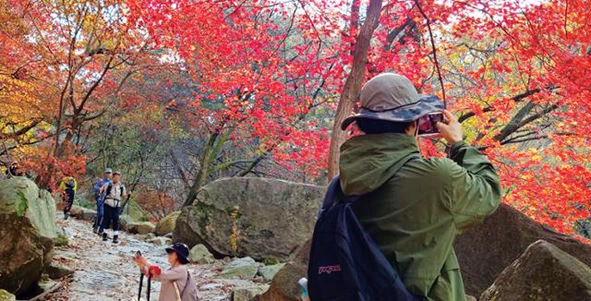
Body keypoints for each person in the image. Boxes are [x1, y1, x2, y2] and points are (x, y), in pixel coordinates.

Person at [338, 73, 502, 301]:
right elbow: (489, 192)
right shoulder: (437, 177)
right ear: (412, 125)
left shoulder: (344, 179)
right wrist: (458, 144)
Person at [134, 243, 199, 301]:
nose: (168, 255)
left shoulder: (181, 269)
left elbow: (160, 274)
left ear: (178, 256)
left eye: (171, 253)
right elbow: (155, 276)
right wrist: (142, 266)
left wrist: (145, 262)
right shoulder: (173, 269)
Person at [99, 171, 128, 244]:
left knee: (116, 219)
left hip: (117, 204)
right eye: (115, 177)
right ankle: (105, 234)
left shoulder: (121, 186)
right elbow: (101, 191)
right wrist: (101, 191)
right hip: (108, 202)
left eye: (118, 177)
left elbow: (124, 195)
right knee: (107, 218)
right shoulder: (108, 184)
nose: (116, 179)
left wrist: (127, 195)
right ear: (113, 177)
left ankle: (115, 236)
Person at [92, 168, 113, 233]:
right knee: (101, 214)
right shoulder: (101, 181)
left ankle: (100, 229)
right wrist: (100, 189)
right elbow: (95, 189)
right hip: (101, 200)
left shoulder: (111, 183)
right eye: (107, 173)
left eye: (109, 173)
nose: (108, 174)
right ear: (105, 174)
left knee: (105, 215)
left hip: (108, 201)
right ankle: (96, 226)